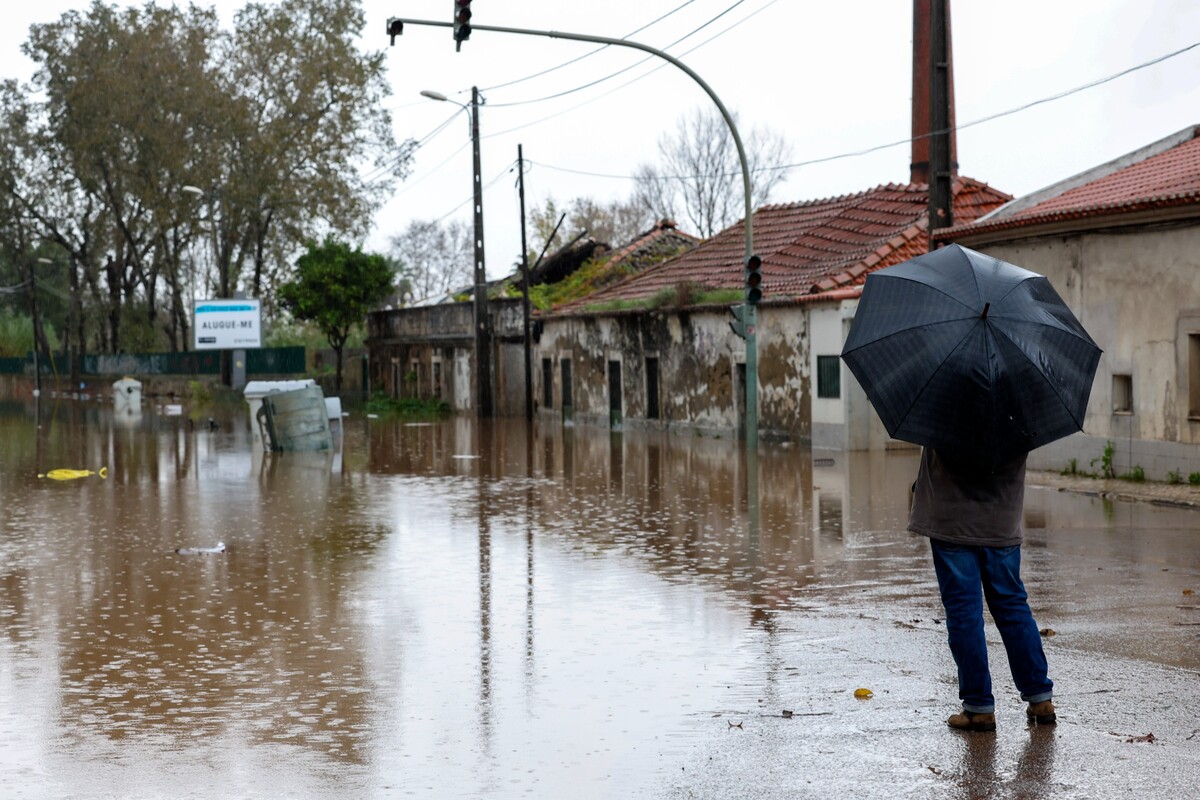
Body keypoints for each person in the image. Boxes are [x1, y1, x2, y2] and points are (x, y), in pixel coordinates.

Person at [907, 447, 1056, 732]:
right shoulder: (1020, 406)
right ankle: (1040, 699)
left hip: (952, 519)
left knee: (964, 612)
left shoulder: (942, 404)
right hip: (1002, 518)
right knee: (1012, 604)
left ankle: (978, 708)